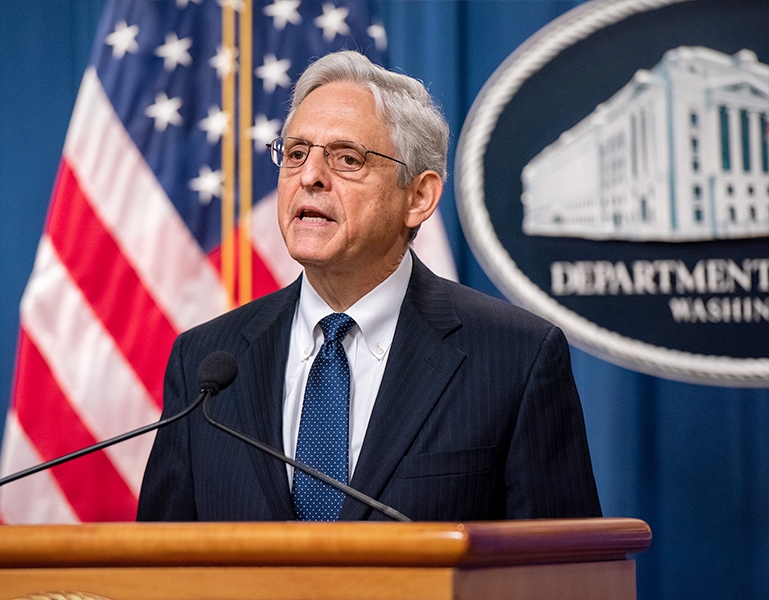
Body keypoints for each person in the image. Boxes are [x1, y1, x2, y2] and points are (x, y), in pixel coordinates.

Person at [137, 50, 601, 522]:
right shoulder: (206, 365)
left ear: (419, 197)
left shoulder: (514, 358)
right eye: (296, 153)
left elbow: (563, 571)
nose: (310, 177)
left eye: (346, 159)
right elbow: (159, 571)